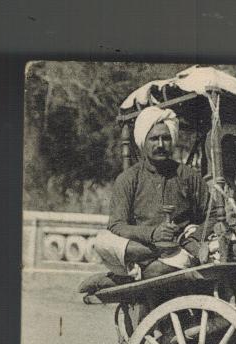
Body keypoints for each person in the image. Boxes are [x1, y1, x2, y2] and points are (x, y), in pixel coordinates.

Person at [80, 106, 214, 293]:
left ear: (173, 140)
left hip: (177, 253)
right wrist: (153, 235)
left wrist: (192, 238)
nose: (160, 144)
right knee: (102, 241)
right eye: (154, 139)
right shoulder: (129, 178)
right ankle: (140, 267)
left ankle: (120, 281)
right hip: (140, 250)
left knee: (155, 272)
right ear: (143, 142)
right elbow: (117, 225)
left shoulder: (187, 176)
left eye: (166, 138)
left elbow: (211, 214)